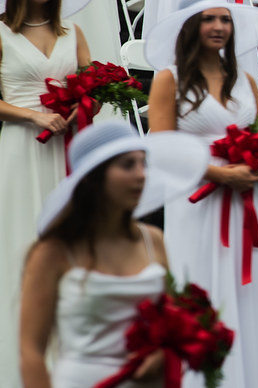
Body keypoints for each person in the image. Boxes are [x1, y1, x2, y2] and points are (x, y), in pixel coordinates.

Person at [146, 0, 258, 388]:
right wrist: (218, 174)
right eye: (209, 19)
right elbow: (161, 148)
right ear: (190, 27)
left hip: (247, 197)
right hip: (194, 199)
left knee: (252, 290)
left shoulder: (244, 78)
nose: (218, 26)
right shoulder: (168, 79)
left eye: (225, 19)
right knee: (199, 282)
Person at [19, 121, 206, 387]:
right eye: (128, 165)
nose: (142, 174)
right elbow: (31, 351)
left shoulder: (153, 240)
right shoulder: (53, 252)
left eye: (144, 163)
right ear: (94, 177)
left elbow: (169, 322)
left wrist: (163, 354)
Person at [0, 0, 98, 383]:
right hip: (20, 148)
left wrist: (80, 106)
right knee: (22, 242)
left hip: (66, 151)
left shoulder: (71, 32)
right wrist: (33, 114)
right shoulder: (0, 31)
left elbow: (90, 83)